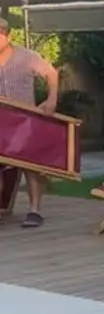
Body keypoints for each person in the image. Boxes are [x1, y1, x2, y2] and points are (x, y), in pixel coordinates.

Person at [0, 17, 60, 227]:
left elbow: (51, 74)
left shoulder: (27, 57)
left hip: (25, 121)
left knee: (31, 166)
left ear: (8, 36)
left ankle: (35, 211)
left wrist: (51, 100)